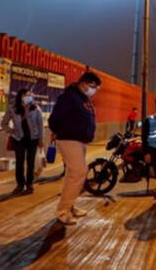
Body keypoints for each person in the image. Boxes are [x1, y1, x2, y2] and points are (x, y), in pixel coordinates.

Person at [48, 72, 102, 225]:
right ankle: (62, 210)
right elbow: (54, 119)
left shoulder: (85, 99)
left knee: (73, 174)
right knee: (79, 171)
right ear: (84, 83)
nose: (94, 90)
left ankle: (69, 206)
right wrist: (62, 132)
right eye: (93, 87)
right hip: (69, 139)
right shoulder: (69, 97)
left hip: (80, 141)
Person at [1, 89, 44, 195]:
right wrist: (12, 132)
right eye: (26, 95)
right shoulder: (13, 108)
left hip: (33, 139)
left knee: (30, 162)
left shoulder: (36, 108)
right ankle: (20, 185)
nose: (29, 97)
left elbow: (40, 125)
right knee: (19, 163)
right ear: (20, 96)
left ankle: (30, 184)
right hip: (19, 140)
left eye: (30, 95)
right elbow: (4, 124)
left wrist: (41, 139)